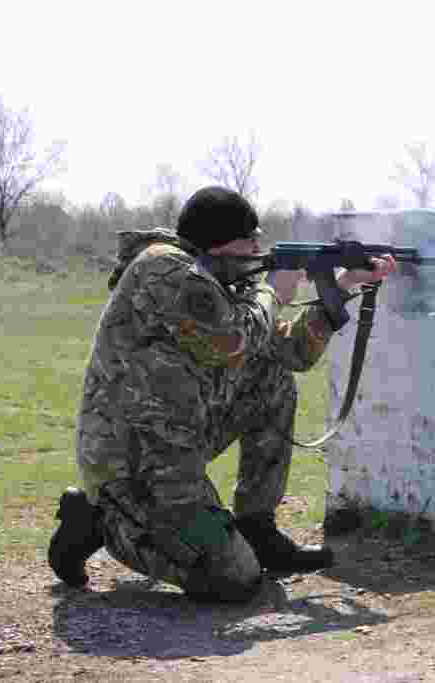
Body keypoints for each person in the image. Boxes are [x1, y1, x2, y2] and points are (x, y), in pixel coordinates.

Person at [48, 186, 397, 602]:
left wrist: (343, 284)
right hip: (132, 464)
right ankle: (99, 520)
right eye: (249, 239)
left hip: (178, 443)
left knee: (273, 378)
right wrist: (273, 290)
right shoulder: (164, 268)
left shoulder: (215, 279)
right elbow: (234, 339)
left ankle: (257, 526)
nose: (256, 248)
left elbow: (292, 352)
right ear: (219, 242)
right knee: (234, 577)